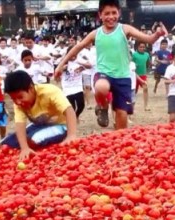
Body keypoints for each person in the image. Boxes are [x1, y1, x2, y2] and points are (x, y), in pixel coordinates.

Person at [54, 0, 166, 130]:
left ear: (119, 13)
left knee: (122, 115)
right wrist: (61, 64)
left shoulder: (125, 29)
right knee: (101, 88)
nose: (111, 17)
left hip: (123, 76)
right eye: (107, 13)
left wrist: (158, 34)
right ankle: (103, 107)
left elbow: (148, 39)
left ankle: (120, 141)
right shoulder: (96, 33)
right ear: (100, 15)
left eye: (114, 13)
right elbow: (78, 47)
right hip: (103, 73)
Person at [0, 70, 78, 161]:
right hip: (38, 125)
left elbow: (69, 110)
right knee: (5, 143)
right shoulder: (18, 104)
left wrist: (71, 135)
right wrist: (24, 148)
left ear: (31, 88)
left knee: (33, 140)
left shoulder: (49, 91)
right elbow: (20, 124)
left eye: (20, 97)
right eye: (13, 99)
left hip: (60, 125)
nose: (17, 102)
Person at [60, 48, 85, 120]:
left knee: (81, 105)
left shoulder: (79, 61)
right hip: (68, 88)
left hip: (78, 87)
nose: (73, 56)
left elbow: (89, 65)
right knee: (72, 107)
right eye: (71, 54)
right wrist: (62, 68)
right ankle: (72, 119)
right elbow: (57, 72)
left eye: (75, 53)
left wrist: (81, 66)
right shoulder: (64, 63)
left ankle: (76, 116)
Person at [132, 42, 151, 111]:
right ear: (137, 47)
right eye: (141, 47)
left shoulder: (146, 54)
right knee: (134, 92)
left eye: (143, 47)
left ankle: (146, 106)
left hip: (143, 75)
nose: (142, 48)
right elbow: (131, 64)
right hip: (135, 76)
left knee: (145, 88)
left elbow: (148, 63)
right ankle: (131, 107)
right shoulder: (134, 55)